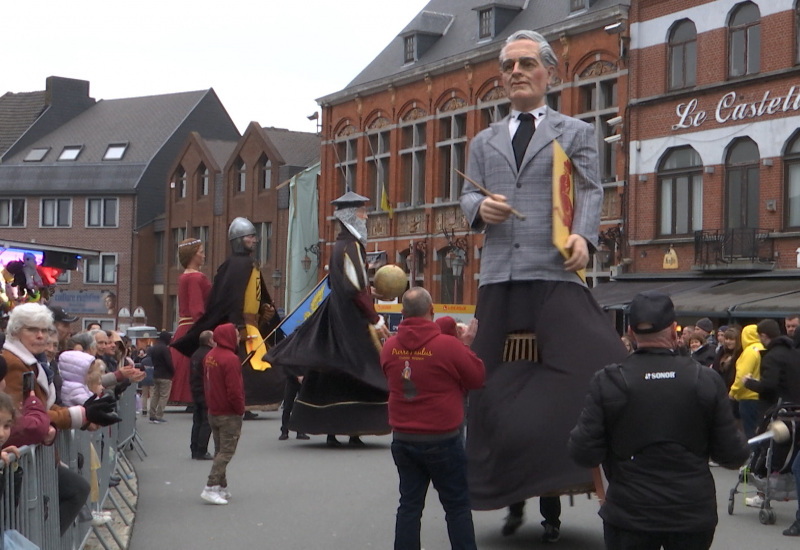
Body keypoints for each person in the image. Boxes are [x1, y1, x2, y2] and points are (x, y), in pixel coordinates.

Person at [459, 29, 628, 542]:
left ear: (548, 72)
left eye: (526, 63)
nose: (515, 72)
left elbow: (592, 190)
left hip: (554, 272)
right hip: (499, 278)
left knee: (601, 368)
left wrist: (583, 235)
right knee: (480, 388)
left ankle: (602, 477)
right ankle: (498, 485)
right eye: (507, 65)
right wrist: (479, 209)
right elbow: (465, 201)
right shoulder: (482, 141)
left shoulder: (575, 131)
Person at [568, 291, 750, 550]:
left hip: (630, 513)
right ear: (675, 333)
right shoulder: (705, 380)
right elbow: (732, 455)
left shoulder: (608, 381)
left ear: (631, 333)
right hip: (691, 514)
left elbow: (583, 452)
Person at [266, 192, 391, 447]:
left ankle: (332, 430)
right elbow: (354, 288)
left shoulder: (340, 247)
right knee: (361, 369)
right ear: (350, 216)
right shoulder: (352, 247)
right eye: (362, 212)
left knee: (333, 370)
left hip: (336, 315)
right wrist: (375, 318)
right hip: (351, 322)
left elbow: (343, 284)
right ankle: (355, 429)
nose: (366, 217)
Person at [1, 303, 120, 534]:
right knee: (67, 494)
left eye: (45, 330)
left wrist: (82, 414)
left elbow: (42, 406)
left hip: (29, 454)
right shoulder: (15, 363)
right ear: (15, 331)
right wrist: (77, 415)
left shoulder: (29, 361)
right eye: (32, 329)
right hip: (17, 453)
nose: (40, 335)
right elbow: (18, 415)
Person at [380, 287, 485, 550]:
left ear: (402, 313)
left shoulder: (390, 347)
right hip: (443, 438)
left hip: (403, 437)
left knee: (409, 506)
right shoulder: (449, 346)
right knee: (457, 506)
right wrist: (467, 346)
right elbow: (476, 379)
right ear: (432, 311)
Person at [172, 218, 283, 417]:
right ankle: (242, 404)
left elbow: (254, 295)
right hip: (239, 327)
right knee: (246, 369)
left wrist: (263, 310)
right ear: (239, 239)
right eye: (250, 237)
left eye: (254, 236)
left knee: (261, 367)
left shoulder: (250, 264)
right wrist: (237, 326)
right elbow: (231, 299)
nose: (254, 240)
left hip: (250, 325)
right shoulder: (234, 266)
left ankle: (246, 403)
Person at [201, 323, 245, 505]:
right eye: (236, 335)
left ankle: (222, 486)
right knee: (226, 451)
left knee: (220, 450)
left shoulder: (210, 356)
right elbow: (234, 390)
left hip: (214, 410)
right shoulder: (231, 359)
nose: (239, 338)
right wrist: (240, 408)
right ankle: (210, 486)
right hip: (228, 412)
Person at [169, 238, 212, 406]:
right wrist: (205, 327)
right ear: (193, 255)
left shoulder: (184, 277)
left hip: (184, 326)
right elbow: (197, 307)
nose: (204, 255)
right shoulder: (196, 277)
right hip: (194, 326)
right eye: (201, 252)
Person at [729, 324, 765, 440]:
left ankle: (752, 456)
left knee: (750, 433)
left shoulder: (750, 351)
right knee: (761, 431)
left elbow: (742, 376)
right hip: (763, 396)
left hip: (748, 396)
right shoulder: (764, 348)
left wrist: (733, 392)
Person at [190, 330, 215, 460]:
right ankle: (201, 449)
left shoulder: (195, 354)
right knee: (206, 422)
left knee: (197, 421)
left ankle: (194, 448)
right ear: (210, 341)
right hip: (205, 391)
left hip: (195, 390)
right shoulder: (209, 355)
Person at [149, 331, 174, 423]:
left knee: (155, 395)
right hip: (165, 375)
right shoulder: (165, 349)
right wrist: (173, 371)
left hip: (156, 373)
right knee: (164, 396)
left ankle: (152, 414)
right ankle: (159, 415)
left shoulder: (154, 348)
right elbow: (169, 362)